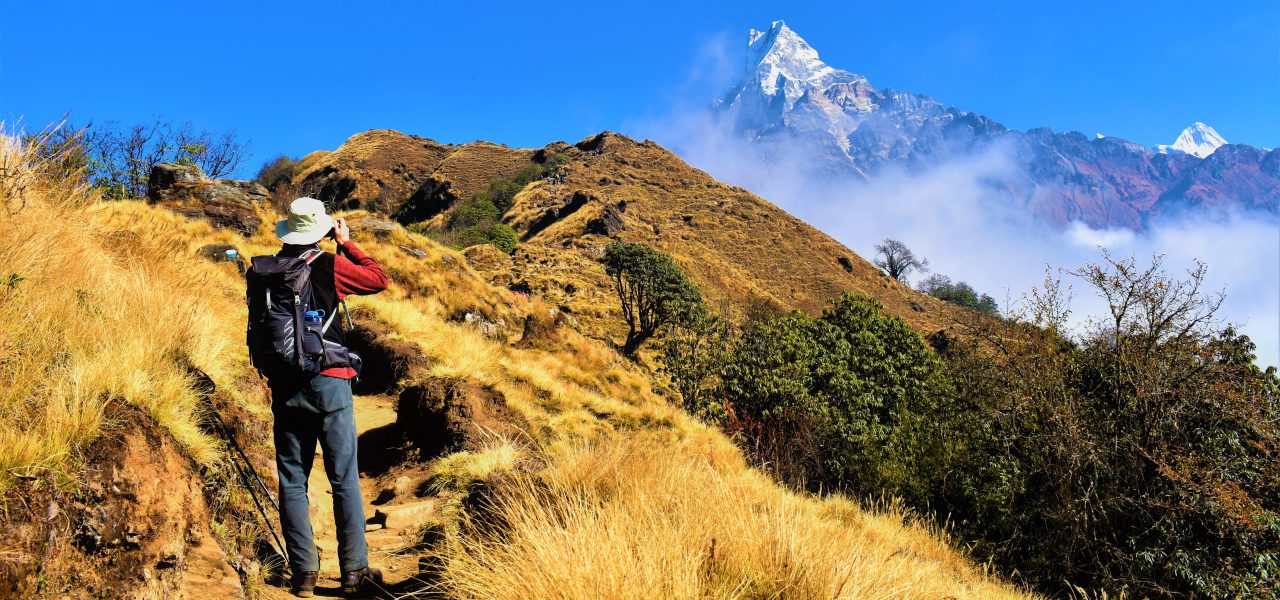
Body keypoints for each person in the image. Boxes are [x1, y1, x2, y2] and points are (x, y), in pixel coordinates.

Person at [263, 198, 389, 597]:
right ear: (320, 231)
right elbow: (378, 278)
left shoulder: (267, 270)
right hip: (330, 381)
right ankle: (354, 572)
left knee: (293, 480)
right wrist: (347, 243)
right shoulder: (327, 265)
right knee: (344, 478)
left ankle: (303, 575)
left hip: (285, 385)